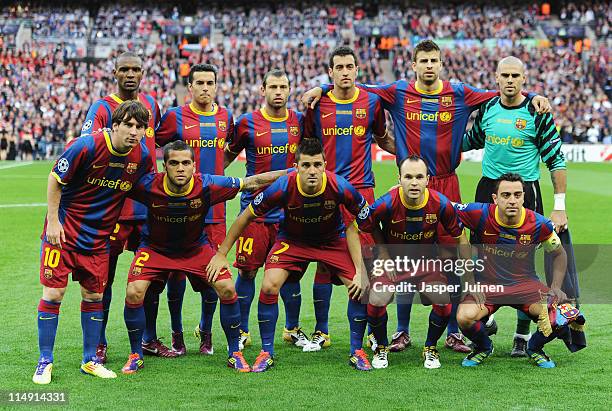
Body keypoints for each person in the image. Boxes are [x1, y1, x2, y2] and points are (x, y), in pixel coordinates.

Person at [302, 39, 552, 353]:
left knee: (451, 263)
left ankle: (453, 332)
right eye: (424, 61)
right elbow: (354, 83)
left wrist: (533, 95)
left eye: (434, 60)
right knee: (405, 255)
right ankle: (402, 331)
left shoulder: (460, 93)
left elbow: (502, 92)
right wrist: (323, 88)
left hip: (447, 184)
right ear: (414, 64)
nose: (429, 66)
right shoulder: (398, 91)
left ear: (441, 63)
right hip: (410, 185)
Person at [120, 141, 288, 374]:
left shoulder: (207, 184)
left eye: (186, 163)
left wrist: (293, 171)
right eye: (174, 163)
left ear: (193, 166)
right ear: (164, 166)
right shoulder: (148, 185)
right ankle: (135, 354)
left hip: (195, 249)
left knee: (227, 288)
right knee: (134, 291)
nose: (180, 168)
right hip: (155, 249)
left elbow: (251, 182)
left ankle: (234, 353)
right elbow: (113, 184)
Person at [207, 138, 372, 372]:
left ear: (325, 165)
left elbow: (360, 223)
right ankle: (266, 352)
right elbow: (246, 216)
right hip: (292, 241)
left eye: (317, 164)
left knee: (360, 287)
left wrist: (362, 270)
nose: (312, 171)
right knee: (269, 286)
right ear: (296, 167)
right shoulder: (283, 186)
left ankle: (357, 351)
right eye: (306, 165)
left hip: (332, 241)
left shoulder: (341, 186)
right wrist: (222, 252)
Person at [33, 101, 153, 384]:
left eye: (140, 127)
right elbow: (55, 178)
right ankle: (45, 360)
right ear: (116, 126)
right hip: (62, 236)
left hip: (98, 240)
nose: (135, 132)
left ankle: (90, 360)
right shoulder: (86, 146)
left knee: (94, 297)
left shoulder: (143, 156)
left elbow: (147, 188)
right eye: (129, 125)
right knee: (53, 295)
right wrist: (52, 220)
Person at [462, 56, 569, 357]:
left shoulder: (537, 111)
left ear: (524, 78)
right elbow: (470, 140)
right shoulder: (486, 109)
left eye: (515, 75)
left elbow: (556, 159)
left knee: (523, 268)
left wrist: (559, 206)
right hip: (488, 191)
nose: (509, 80)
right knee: (484, 259)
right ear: (496, 78)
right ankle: (488, 317)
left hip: (525, 194)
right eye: (504, 75)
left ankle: (521, 336)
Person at [302, 45, 394, 352]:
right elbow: (307, 146)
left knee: (365, 264)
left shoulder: (371, 102)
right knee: (324, 261)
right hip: (327, 193)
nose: (344, 71)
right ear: (330, 72)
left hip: (362, 191)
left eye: (349, 66)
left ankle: (368, 330)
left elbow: (381, 136)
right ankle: (322, 330)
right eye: (338, 67)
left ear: (357, 70)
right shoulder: (318, 103)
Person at [80, 51, 169, 362]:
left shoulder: (153, 106)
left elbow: (168, 139)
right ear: (114, 72)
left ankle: (148, 337)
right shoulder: (102, 108)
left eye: (136, 70)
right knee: (105, 278)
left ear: (143, 73)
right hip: (114, 207)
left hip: (147, 208)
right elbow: (90, 147)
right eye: (125, 69)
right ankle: (100, 342)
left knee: (153, 277)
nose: (130, 75)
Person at [358, 155, 470, 369]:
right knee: (377, 297)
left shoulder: (440, 203)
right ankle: (381, 347)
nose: (414, 182)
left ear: (428, 179)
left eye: (419, 177)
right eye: (408, 176)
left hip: (426, 264)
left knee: (444, 302)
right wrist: (382, 253)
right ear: (399, 178)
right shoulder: (387, 202)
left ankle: (430, 347)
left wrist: (470, 274)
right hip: (393, 263)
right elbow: (363, 225)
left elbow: (460, 237)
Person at [224, 69, 306, 350]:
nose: (279, 92)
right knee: (247, 272)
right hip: (254, 215)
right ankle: (243, 330)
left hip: (290, 213)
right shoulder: (247, 123)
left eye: (284, 86)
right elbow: (225, 157)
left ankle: (292, 328)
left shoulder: (299, 121)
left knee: (291, 274)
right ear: (262, 90)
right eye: (273, 87)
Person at [156, 63, 235, 356]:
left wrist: (215, 176)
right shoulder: (175, 116)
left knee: (212, 276)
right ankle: (176, 333)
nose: (204, 87)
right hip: (178, 212)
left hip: (214, 212)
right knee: (175, 275)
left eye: (209, 82)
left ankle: (206, 331)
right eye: (199, 82)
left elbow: (230, 150)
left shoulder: (226, 117)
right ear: (189, 87)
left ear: (216, 86)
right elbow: (154, 144)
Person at [454, 173, 570, 368]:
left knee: (560, 317)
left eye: (517, 195)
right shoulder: (480, 213)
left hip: (525, 286)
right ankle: (483, 347)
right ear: (495, 198)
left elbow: (560, 254)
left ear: (524, 197)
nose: (512, 200)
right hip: (488, 286)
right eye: (506, 195)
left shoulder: (538, 223)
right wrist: (402, 190)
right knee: (464, 317)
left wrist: (556, 287)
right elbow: (443, 207)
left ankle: (534, 347)